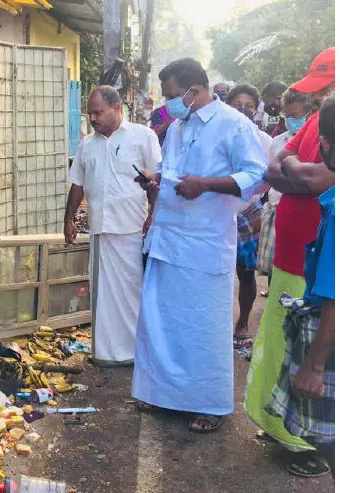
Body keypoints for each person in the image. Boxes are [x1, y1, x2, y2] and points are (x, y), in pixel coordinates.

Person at [131, 58, 266, 433]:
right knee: (165, 323)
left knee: (203, 328)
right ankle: (165, 395)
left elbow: (256, 175)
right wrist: (156, 181)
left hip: (205, 244)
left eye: (173, 95)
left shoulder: (233, 124)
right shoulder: (177, 127)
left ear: (194, 90)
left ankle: (209, 404)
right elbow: (175, 175)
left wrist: (206, 184)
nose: (169, 102)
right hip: (169, 238)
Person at [245, 47, 335, 454]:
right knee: (282, 346)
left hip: (320, 267)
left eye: (325, 90)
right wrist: (305, 174)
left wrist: (296, 172)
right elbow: (273, 170)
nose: (317, 100)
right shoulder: (318, 121)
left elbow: (313, 177)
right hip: (293, 256)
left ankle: (310, 446)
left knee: (317, 357)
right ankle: (283, 426)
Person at [64, 86, 161, 367]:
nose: (93, 118)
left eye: (98, 112)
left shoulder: (143, 137)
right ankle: (104, 354)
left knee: (131, 294)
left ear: (117, 108)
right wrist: (68, 219)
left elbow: (157, 180)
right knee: (102, 296)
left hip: (131, 229)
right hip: (100, 230)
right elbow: (78, 184)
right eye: (90, 113)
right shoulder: (87, 144)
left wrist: (153, 214)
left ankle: (132, 353)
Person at [267, 96, 334, 477]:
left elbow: (334, 299)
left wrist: (315, 364)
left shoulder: (335, 209)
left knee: (328, 429)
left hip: (326, 332)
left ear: (323, 143)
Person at [225, 83, 274, 349]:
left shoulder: (264, 140)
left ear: (257, 110)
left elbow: (267, 178)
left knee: (246, 272)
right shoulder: (221, 134)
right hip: (219, 211)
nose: (243, 110)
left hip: (249, 211)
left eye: (249, 106)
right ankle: (217, 323)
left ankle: (242, 322)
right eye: (237, 105)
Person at [257, 89, 313, 295]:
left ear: (309, 114)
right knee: (276, 263)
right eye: (287, 116)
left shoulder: (318, 142)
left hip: (303, 212)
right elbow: (271, 174)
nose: (291, 120)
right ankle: (274, 294)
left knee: (300, 266)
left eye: (297, 116)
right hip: (277, 207)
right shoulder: (278, 142)